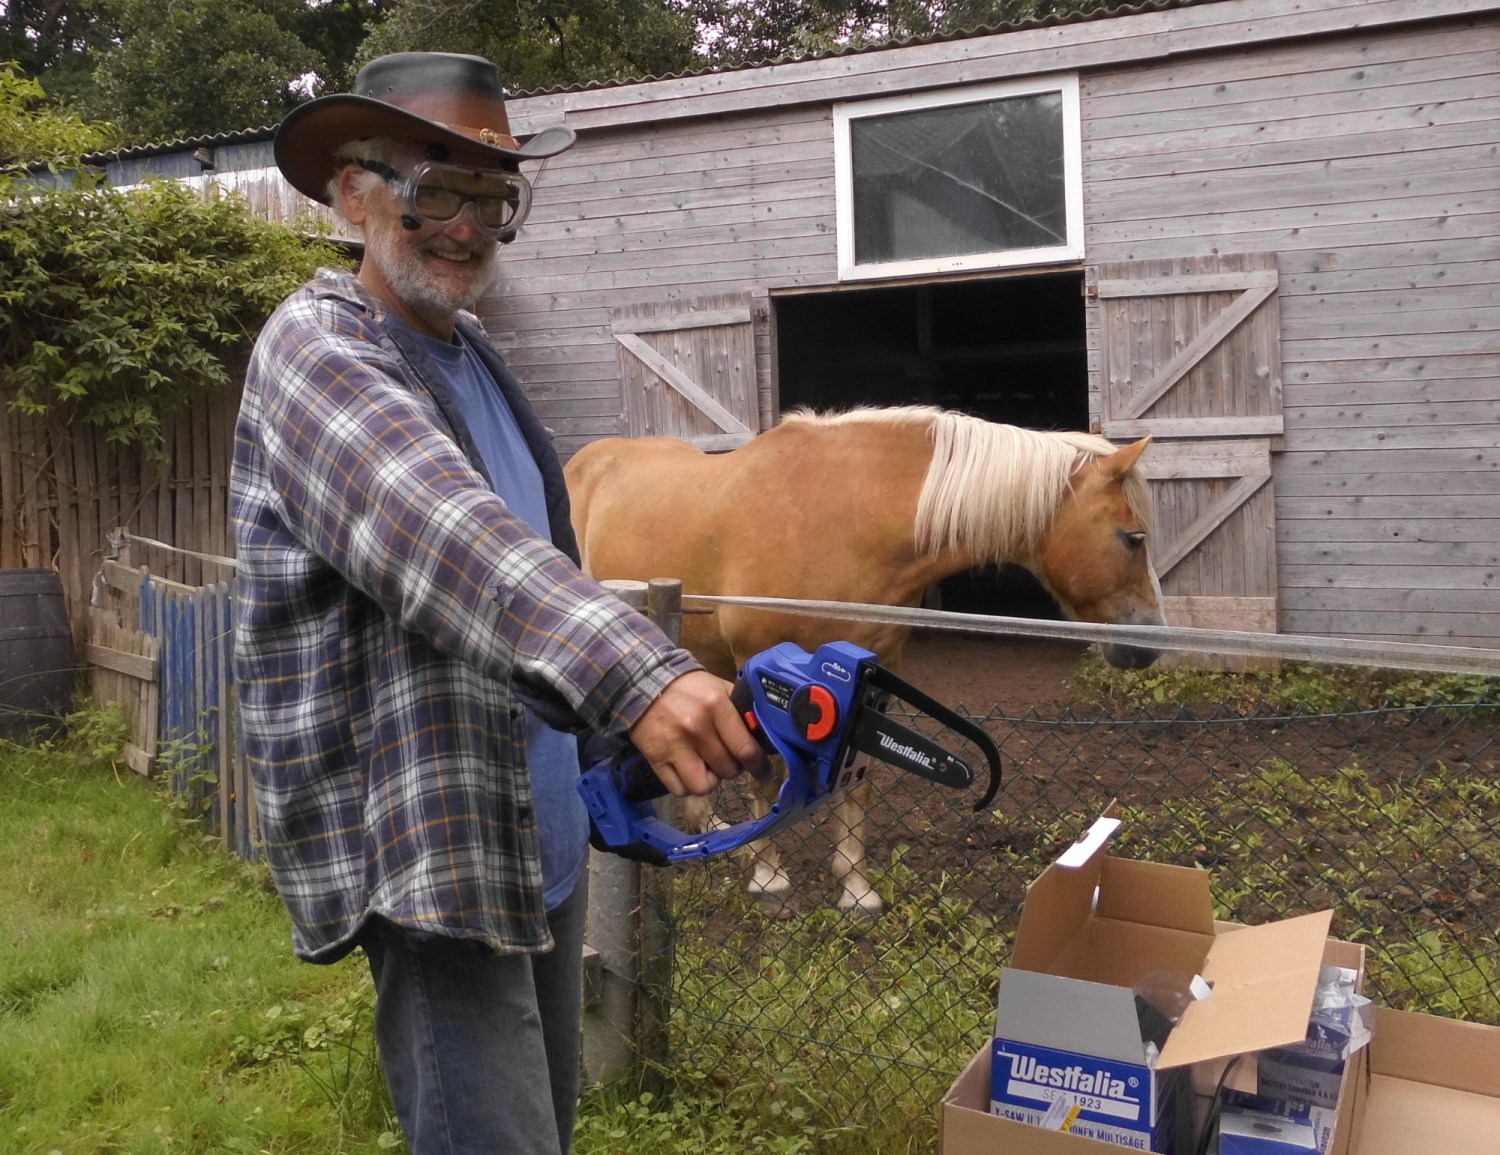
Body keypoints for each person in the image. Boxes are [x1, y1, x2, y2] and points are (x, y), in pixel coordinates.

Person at [230, 51, 766, 1155]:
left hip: (538, 840)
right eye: (438, 191)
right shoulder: (316, 349)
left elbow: (542, 560)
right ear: (353, 193)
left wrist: (611, 750)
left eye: (493, 197)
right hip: (438, 852)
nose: (467, 226)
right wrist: (642, 677)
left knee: (545, 1132)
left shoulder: (475, 357)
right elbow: (444, 537)